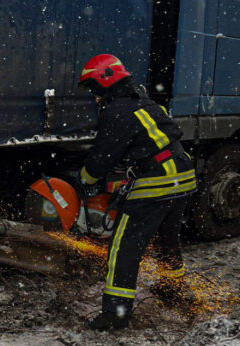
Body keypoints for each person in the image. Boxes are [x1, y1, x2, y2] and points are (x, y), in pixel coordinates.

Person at [77, 53, 197, 331]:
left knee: (123, 246)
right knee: (167, 240)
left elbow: (101, 159)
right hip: (183, 176)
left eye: (94, 89)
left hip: (158, 181)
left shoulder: (115, 112)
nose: (94, 97)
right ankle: (173, 289)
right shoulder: (143, 102)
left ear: (106, 82)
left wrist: (84, 179)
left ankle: (115, 314)